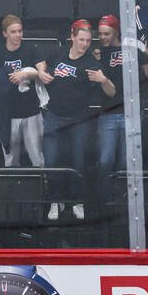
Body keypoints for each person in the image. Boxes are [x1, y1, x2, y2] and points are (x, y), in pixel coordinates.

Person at [38, 20, 112, 222]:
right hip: (53, 116)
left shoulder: (92, 63)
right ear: (72, 37)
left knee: (77, 161)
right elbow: (43, 63)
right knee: (52, 160)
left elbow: (111, 91)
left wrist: (103, 80)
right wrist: (42, 72)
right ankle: (55, 201)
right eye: (81, 39)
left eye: (88, 40)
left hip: (78, 120)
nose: (85, 44)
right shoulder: (58, 53)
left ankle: (77, 201)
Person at [91, 14, 148, 183]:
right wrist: (96, 61)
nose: (102, 37)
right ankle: (104, 196)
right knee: (105, 160)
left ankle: (121, 198)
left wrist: (141, 45)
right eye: (100, 34)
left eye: (106, 34)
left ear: (116, 32)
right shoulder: (98, 52)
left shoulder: (131, 47)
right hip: (108, 113)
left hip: (132, 113)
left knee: (127, 161)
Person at [0, 14, 45, 168]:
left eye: (20, 31)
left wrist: (26, 74)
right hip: (8, 114)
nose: (18, 35)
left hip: (31, 111)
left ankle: (40, 186)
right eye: (13, 32)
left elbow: (42, 72)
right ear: (5, 33)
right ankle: (12, 189)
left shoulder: (30, 51)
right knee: (11, 160)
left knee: (37, 158)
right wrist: (8, 77)